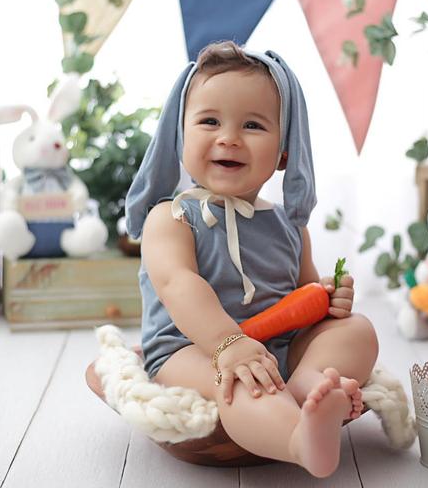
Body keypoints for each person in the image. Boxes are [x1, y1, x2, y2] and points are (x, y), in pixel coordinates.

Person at [125, 41, 378, 478]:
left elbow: (305, 297)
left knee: (357, 331)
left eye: (253, 125)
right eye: (209, 121)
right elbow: (178, 284)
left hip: (277, 349)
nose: (228, 137)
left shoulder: (288, 225)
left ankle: (309, 382)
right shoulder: (171, 218)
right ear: (180, 137)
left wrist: (329, 302)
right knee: (238, 383)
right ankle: (299, 441)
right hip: (193, 352)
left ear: (284, 151)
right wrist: (228, 344)